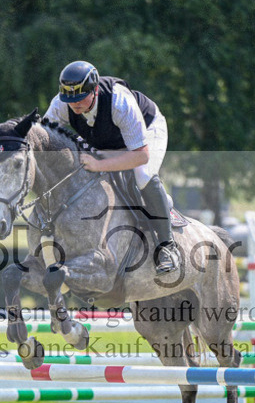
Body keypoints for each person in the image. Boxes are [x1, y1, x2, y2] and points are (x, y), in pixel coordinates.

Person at [43, 60, 181, 276]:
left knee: (143, 175)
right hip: (107, 139)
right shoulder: (61, 103)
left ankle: (167, 246)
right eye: (70, 100)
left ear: (95, 90)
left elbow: (141, 156)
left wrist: (99, 165)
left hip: (147, 132)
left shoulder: (119, 102)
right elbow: (44, 139)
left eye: (80, 97)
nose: (74, 104)